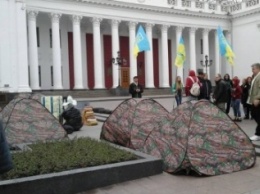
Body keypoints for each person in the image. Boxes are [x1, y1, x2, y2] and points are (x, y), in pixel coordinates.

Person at [248, 63, 260, 141]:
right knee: (254, 114)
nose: (252, 70)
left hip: (257, 100)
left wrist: (258, 99)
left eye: (253, 69)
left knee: (258, 116)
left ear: (258, 68)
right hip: (253, 100)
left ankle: (258, 134)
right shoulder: (255, 77)